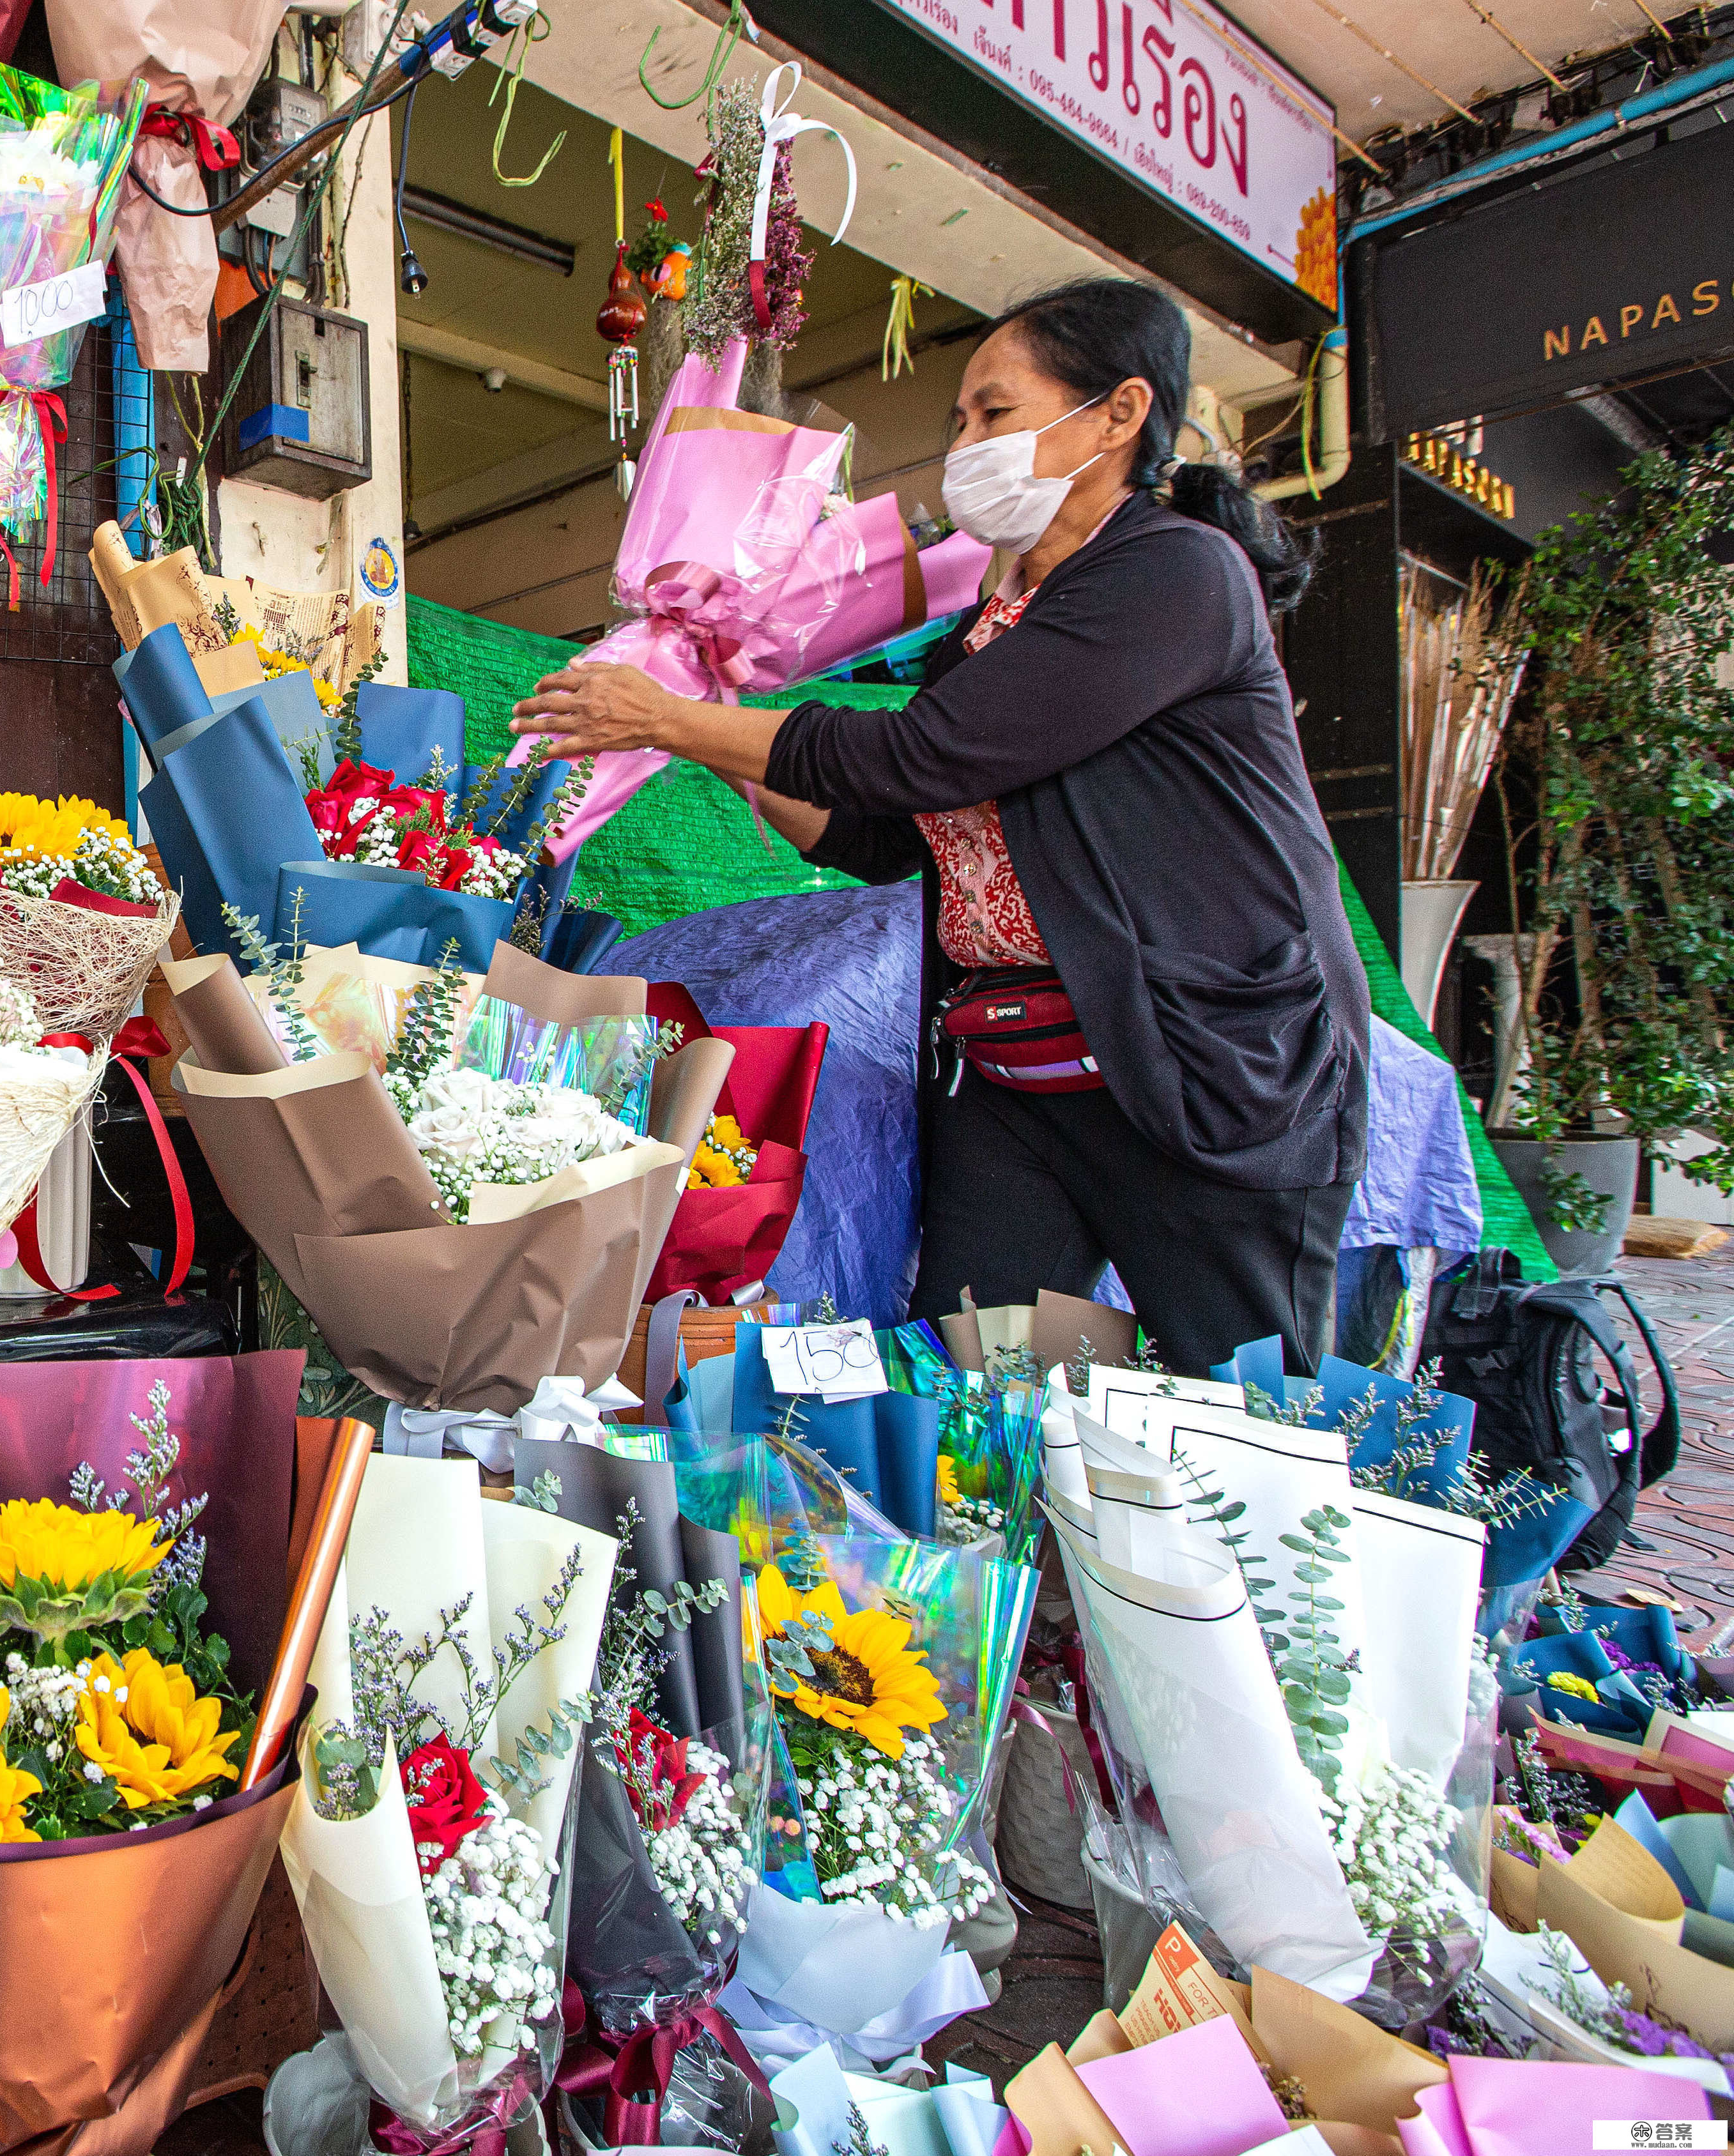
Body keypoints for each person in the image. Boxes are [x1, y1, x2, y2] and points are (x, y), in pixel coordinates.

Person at [514, 277, 1367, 1375]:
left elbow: (923, 755)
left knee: (1248, 1409)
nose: (966, 442)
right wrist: (708, 717)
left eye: (995, 414)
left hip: (1201, 1078)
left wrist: (669, 718)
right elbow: (889, 834)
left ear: (1119, 414)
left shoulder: (1173, 578)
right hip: (1015, 1086)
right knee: (974, 1393)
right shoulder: (1002, 624)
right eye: (961, 419)